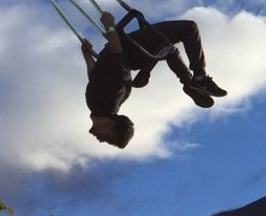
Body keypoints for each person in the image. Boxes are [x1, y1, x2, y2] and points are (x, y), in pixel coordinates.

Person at [83, 11, 228, 148]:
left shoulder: (97, 106)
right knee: (188, 28)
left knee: (170, 48)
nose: (101, 140)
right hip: (132, 50)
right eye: (107, 138)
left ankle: (190, 82)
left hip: (132, 55)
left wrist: (87, 56)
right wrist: (109, 26)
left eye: (106, 140)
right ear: (111, 125)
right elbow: (117, 54)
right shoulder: (108, 100)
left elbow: (94, 77)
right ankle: (199, 78)